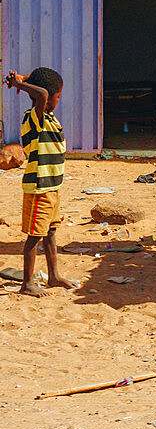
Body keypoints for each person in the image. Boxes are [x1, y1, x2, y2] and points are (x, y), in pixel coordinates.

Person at [5, 67, 76, 297]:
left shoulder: (49, 118)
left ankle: (53, 276)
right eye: (58, 96)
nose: (57, 99)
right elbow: (43, 95)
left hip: (52, 187)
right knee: (34, 237)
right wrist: (18, 85)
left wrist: (24, 78)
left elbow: (43, 93)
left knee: (50, 233)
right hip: (39, 188)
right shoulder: (34, 118)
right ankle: (27, 282)